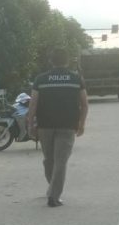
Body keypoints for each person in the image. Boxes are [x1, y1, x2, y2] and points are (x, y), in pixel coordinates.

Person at [27, 48, 88, 207]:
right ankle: (54, 193)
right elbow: (84, 104)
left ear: (51, 61)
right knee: (60, 161)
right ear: (67, 61)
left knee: (49, 160)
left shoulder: (41, 79)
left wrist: (30, 124)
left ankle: (53, 193)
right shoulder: (76, 79)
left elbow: (33, 104)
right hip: (67, 126)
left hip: (45, 126)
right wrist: (81, 123)